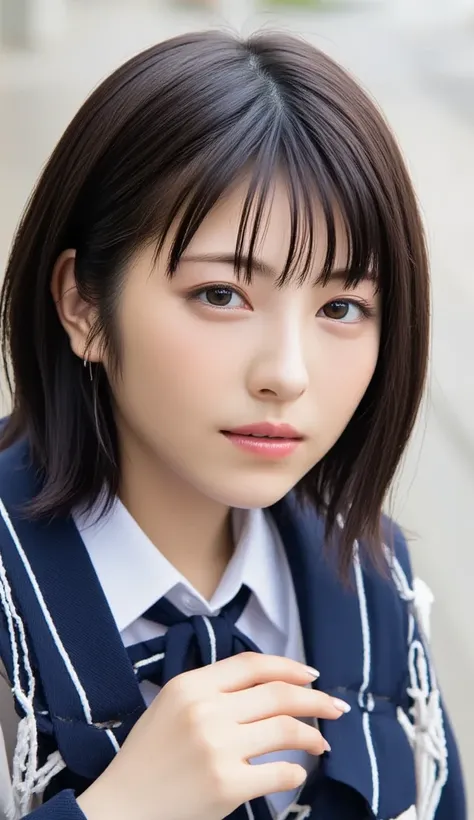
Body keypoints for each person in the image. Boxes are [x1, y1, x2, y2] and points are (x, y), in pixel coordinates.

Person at [0, 28, 465, 820]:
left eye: (342, 307)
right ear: (83, 304)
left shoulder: (370, 579)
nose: (286, 372)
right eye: (222, 295)